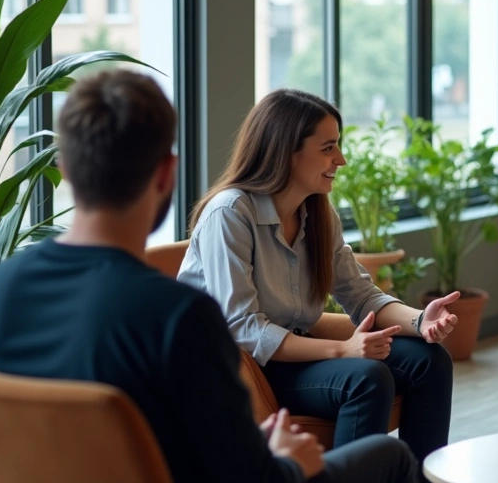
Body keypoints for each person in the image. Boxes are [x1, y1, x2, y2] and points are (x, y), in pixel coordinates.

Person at [0, 70, 417, 483]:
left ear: (66, 170)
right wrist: (285, 460)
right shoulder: (180, 318)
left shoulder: (1, 289)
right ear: (167, 174)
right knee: (392, 456)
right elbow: (249, 476)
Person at [177, 88, 454, 465]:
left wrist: (421, 321)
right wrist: (344, 349)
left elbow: (361, 295)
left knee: (429, 359)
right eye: (328, 148)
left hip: (293, 356)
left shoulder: (319, 214)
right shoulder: (229, 213)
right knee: (367, 377)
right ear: (285, 151)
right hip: (243, 371)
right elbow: (243, 327)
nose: (340, 159)